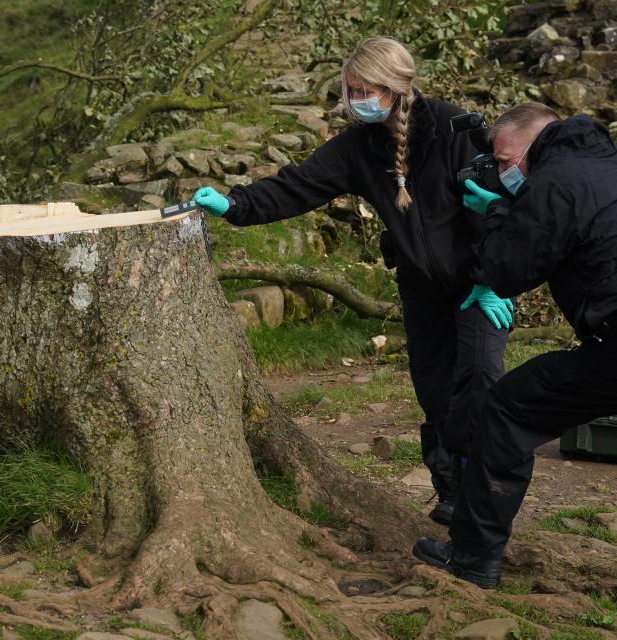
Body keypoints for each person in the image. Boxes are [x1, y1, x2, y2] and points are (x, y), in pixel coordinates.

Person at [412, 102, 617, 594]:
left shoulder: (554, 178)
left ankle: (472, 558)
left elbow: (507, 271)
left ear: (533, 142)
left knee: (507, 408)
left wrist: (497, 213)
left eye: (503, 162)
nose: (501, 173)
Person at [192, 36, 513, 525]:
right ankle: (449, 490)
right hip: (421, 288)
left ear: (395, 87)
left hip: (478, 285)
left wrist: (494, 277)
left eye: (367, 89)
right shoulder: (359, 148)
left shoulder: (455, 129)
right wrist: (235, 205)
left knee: (479, 383)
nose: (357, 98)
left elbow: (495, 207)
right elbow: (297, 185)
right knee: (434, 390)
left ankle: (485, 495)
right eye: (352, 89)